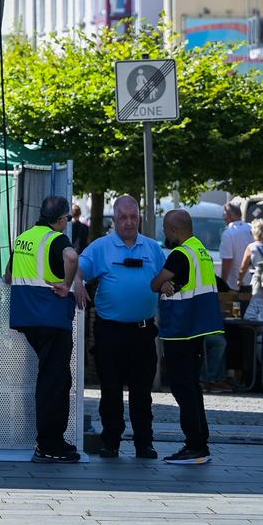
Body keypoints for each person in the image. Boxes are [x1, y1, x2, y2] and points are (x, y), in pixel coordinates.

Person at [77, 195, 165, 459]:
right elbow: (77, 268)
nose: (129, 222)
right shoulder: (101, 247)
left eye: (133, 217)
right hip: (111, 331)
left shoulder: (152, 248)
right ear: (114, 219)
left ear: (140, 217)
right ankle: (111, 441)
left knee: (142, 392)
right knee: (111, 390)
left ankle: (144, 443)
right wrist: (78, 282)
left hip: (143, 331)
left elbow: (166, 276)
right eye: (123, 217)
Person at [3, 196, 86, 463]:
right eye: (67, 220)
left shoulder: (24, 238)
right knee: (55, 381)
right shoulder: (55, 239)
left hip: (26, 317)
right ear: (61, 219)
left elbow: (7, 276)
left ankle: (53, 440)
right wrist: (67, 283)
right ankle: (49, 444)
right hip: (51, 319)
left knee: (51, 378)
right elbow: (72, 257)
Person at [151, 208, 224, 465]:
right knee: (193, 387)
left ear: (173, 230)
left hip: (179, 330)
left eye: (165, 229)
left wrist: (164, 283)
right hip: (197, 328)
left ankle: (194, 445)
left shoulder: (180, 254)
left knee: (183, 389)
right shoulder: (200, 251)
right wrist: (171, 284)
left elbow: (155, 282)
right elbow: (184, 282)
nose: (164, 234)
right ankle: (200, 442)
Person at [218, 205, 253, 290]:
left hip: (236, 286)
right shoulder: (252, 228)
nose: (223, 217)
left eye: (224, 214)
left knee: (236, 304)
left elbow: (227, 261)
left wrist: (222, 286)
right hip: (253, 283)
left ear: (229, 216)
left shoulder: (228, 233)